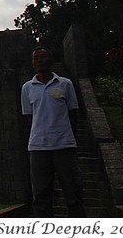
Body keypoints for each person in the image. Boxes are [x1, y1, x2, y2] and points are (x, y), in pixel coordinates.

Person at [21, 47, 87, 217]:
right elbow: (29, 117)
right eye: (36, 58)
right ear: (32, 63)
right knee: (41, 197)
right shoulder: (27, 88)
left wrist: (66, 136)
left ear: (51, 60)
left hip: (63, 146)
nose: (40, 61)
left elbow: (73, 113)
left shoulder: (65, 84)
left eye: (43, 57)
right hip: (38, 148)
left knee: (73, 193)